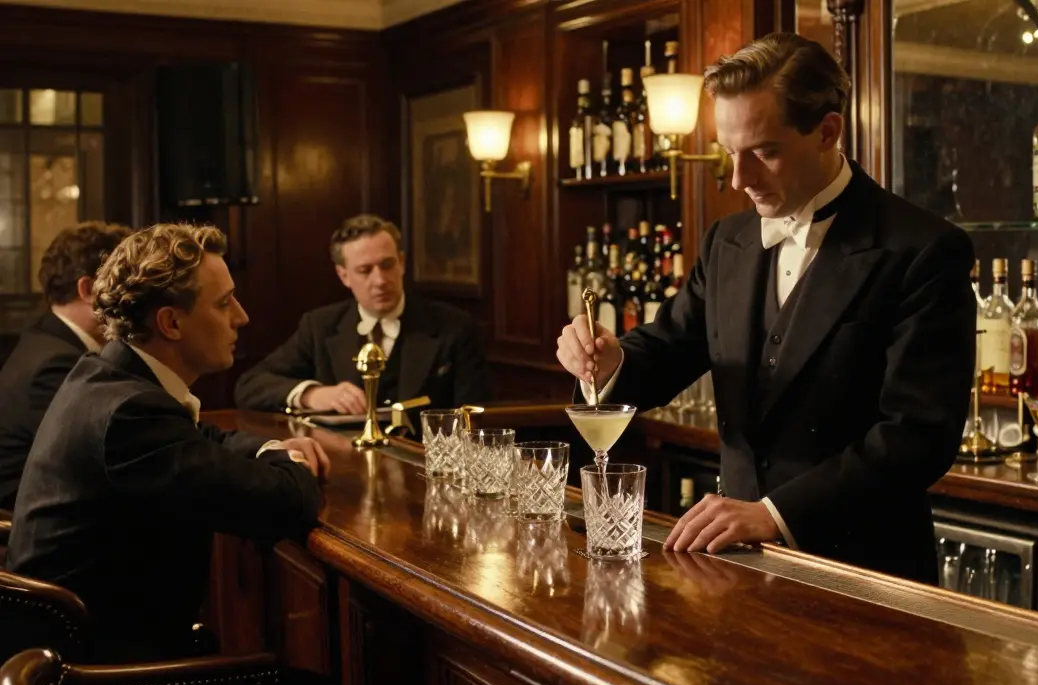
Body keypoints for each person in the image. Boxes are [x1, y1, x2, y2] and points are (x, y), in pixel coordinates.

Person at [555, 33, 976, 584]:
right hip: (732, 568)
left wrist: (775, 515)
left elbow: (916, 437)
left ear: (828, 130)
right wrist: (610, 361)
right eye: (730, 152)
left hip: (866, 574)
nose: (739, 179)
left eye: (764, 152)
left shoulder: (921, 250)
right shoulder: (727, 241)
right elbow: (674, 344)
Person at [7, 223, 329, 663]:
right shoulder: (129, 414)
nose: (242, 316)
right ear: (171, 322)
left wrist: (267, 449)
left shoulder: (108, 377)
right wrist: (291, 458)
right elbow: (286, 504)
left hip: (93, 660)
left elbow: (203, 438)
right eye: (224, 303)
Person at [234, 213, 490, 415]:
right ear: (343, 275)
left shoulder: (454, 328)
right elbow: (250, 385)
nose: (380, 280)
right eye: (365, 270)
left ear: (401, 262)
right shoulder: (320, 326)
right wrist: (313, 394)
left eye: (387, 265)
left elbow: (477, 418)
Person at [0, 222, 131, 510]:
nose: (132, 300)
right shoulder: (57, 363)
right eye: (123, 285)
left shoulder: (46, 341)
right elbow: (102, 461)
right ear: (87, 289)